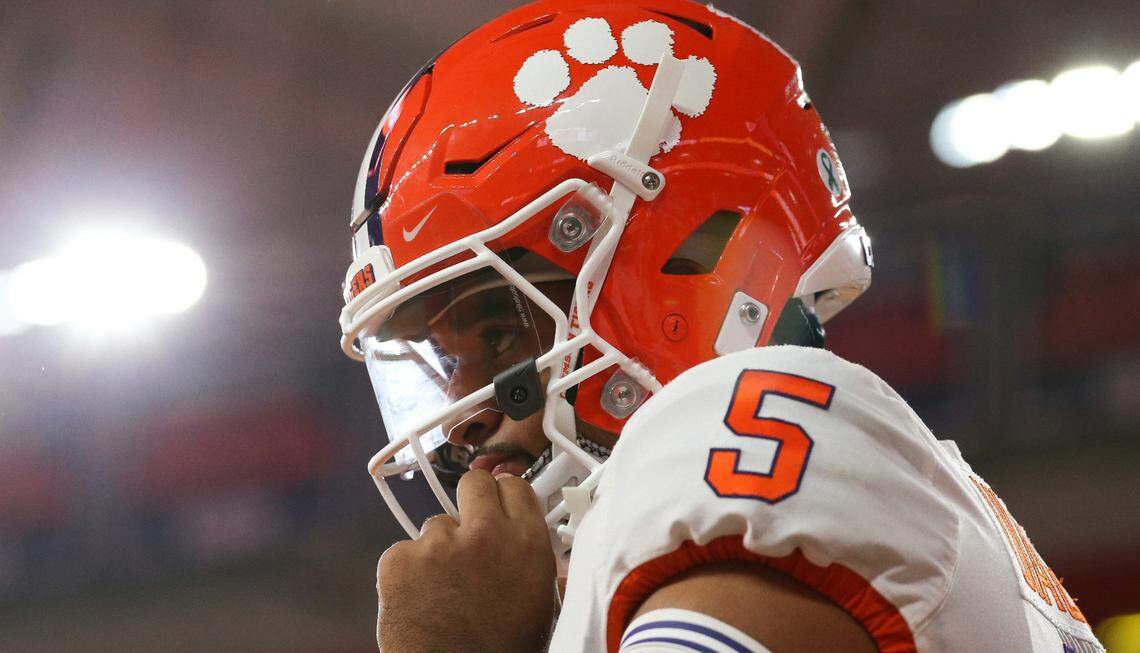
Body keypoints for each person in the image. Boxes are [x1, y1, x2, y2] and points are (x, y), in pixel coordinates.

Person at [336, 1, 1105, 650]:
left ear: (674, 263)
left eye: (501, 336)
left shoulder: (735, 438)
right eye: (440, 362)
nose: (460, 418)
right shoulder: (885, 481)